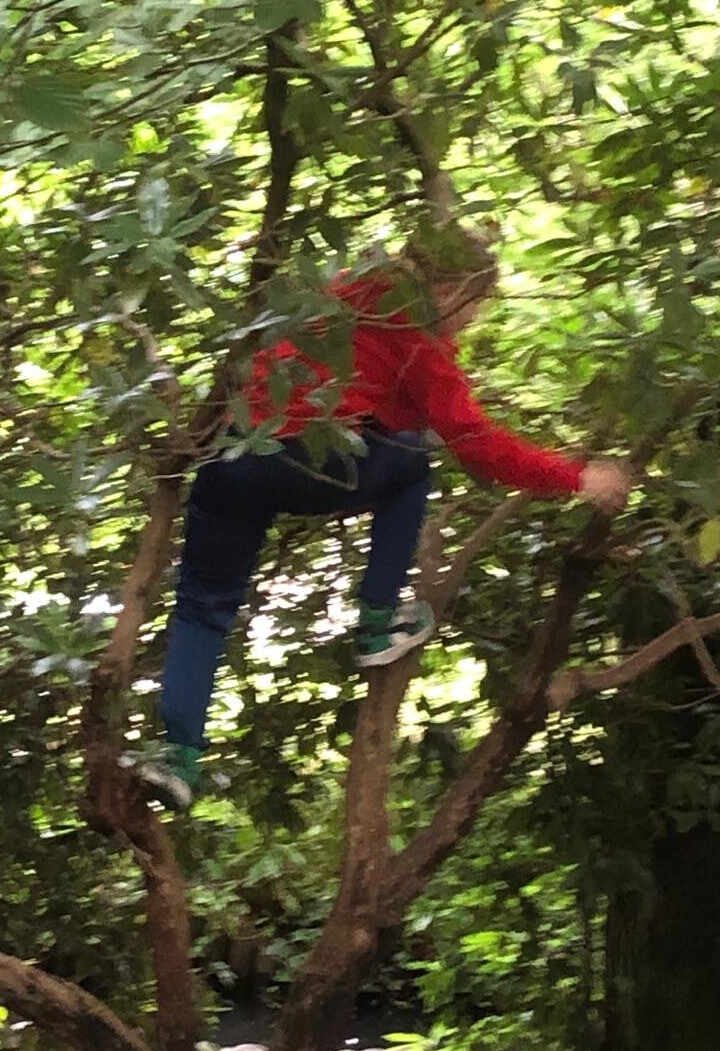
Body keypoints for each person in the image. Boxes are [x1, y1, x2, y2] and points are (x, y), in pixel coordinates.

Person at [121, 223, 632, 810]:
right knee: (413, 459)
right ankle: (378, 621)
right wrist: (577, 478)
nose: (473, 321)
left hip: (230, 456)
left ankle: (178, 757)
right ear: (448, 292)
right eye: (475, 305)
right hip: (305, 459)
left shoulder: (340, 286)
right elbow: (475, 443)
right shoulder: (416, 335)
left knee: (203, 605)